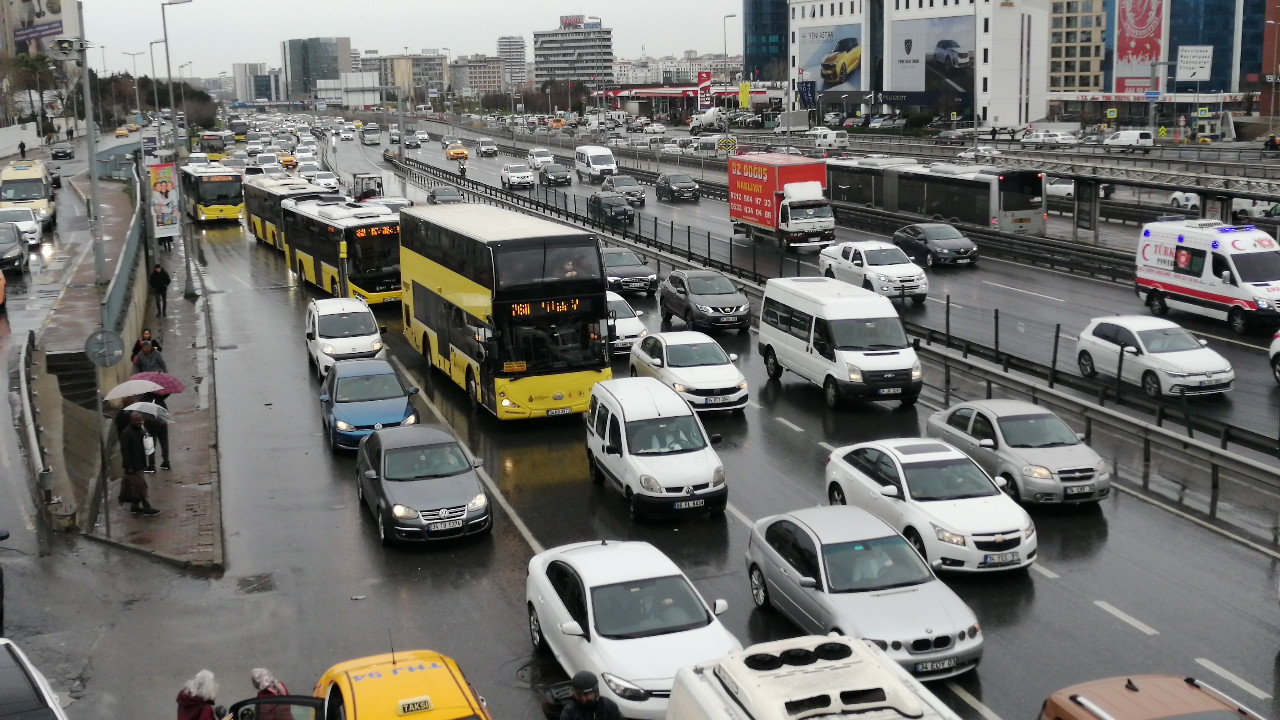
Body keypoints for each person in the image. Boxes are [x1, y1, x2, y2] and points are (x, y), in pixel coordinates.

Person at [118, 413, 160, 514]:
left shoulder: (140, 430)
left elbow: (145, 443)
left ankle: (135, 505)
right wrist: (129, 467)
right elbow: (125, 451)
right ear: (132, 421)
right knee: (141, 486)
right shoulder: (126, 433)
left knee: (137, 485)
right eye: (137, 420)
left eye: (140, 420)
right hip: (133, 465)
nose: (140, 422)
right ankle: (146, 506)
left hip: (140, 462)